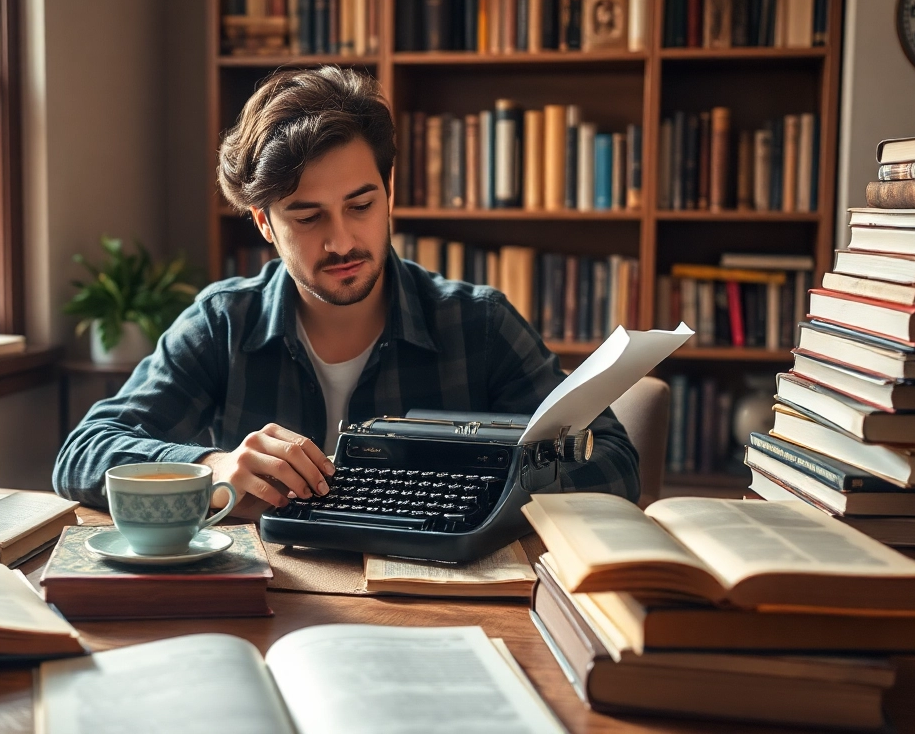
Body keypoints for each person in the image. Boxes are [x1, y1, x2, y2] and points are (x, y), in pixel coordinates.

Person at [53, 66, 638, 518]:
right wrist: (212, 468)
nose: (341, 242)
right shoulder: (223, 322)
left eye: (360, 206)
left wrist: (477, 474)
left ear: (387, 193)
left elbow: (614, 462)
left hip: (439, 608)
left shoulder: (477, 324)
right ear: (263, 223)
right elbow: (83, 453)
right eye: (307, 218)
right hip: (276, 607)